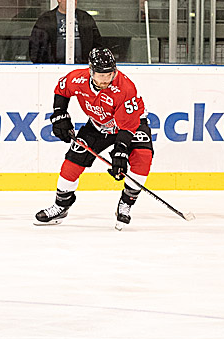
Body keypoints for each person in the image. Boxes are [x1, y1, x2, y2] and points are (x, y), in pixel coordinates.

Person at [35, 48, 155, 230]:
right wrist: (59, 113)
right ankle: (61, 206)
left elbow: (128, 125)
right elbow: (62, 89)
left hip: (132, 125)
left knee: (142, 157)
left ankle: (126, 204)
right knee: (71, 163)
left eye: (110, 74)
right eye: (101, 75)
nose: (106, 79)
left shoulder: (125, 87)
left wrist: (121, 150)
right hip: (97, 126)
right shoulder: (77, 78)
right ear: (91, 71)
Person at [28, 0, 103, 64]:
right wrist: (42, 66)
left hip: (82, 67)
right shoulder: (46, 19)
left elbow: (97, 43)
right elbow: (35, 46)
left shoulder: (85, 17)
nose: (74, 1)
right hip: (53, 68)